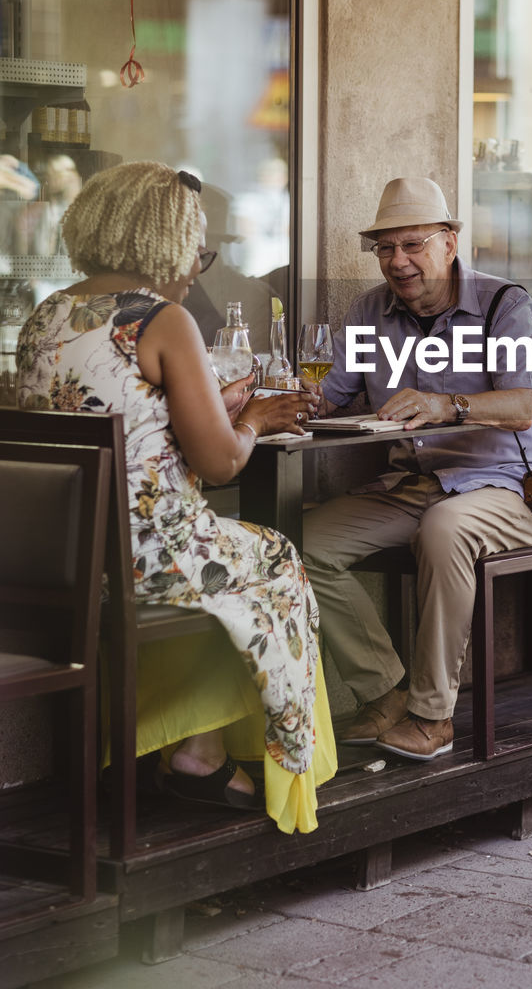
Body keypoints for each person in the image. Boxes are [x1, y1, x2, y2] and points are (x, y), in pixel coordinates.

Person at [15, 161, 335, 831]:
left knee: (233, 569)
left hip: (58, 556)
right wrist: (253, 420)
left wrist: (213, 408)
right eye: (197, 247)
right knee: (274, 558)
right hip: (141, 563)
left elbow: (120, 417)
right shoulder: (161, 319)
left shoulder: (49, 313)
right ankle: (264, 756)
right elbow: (219, 464)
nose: (198, 265)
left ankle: (198, 746)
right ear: (162, 241)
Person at [302, 176, 532, 761]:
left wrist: (449, 405)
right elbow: (334, 396)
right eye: (385, 248)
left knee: (444, 530)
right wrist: (285, 398)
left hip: (506, 488)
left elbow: (521, 405)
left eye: (413, 245)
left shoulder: (504, 303)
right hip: (411, 485)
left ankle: (432, 716)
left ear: (449, 241)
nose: (398, 261)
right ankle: (386, 690)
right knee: (302, 543)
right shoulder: (369, 310)